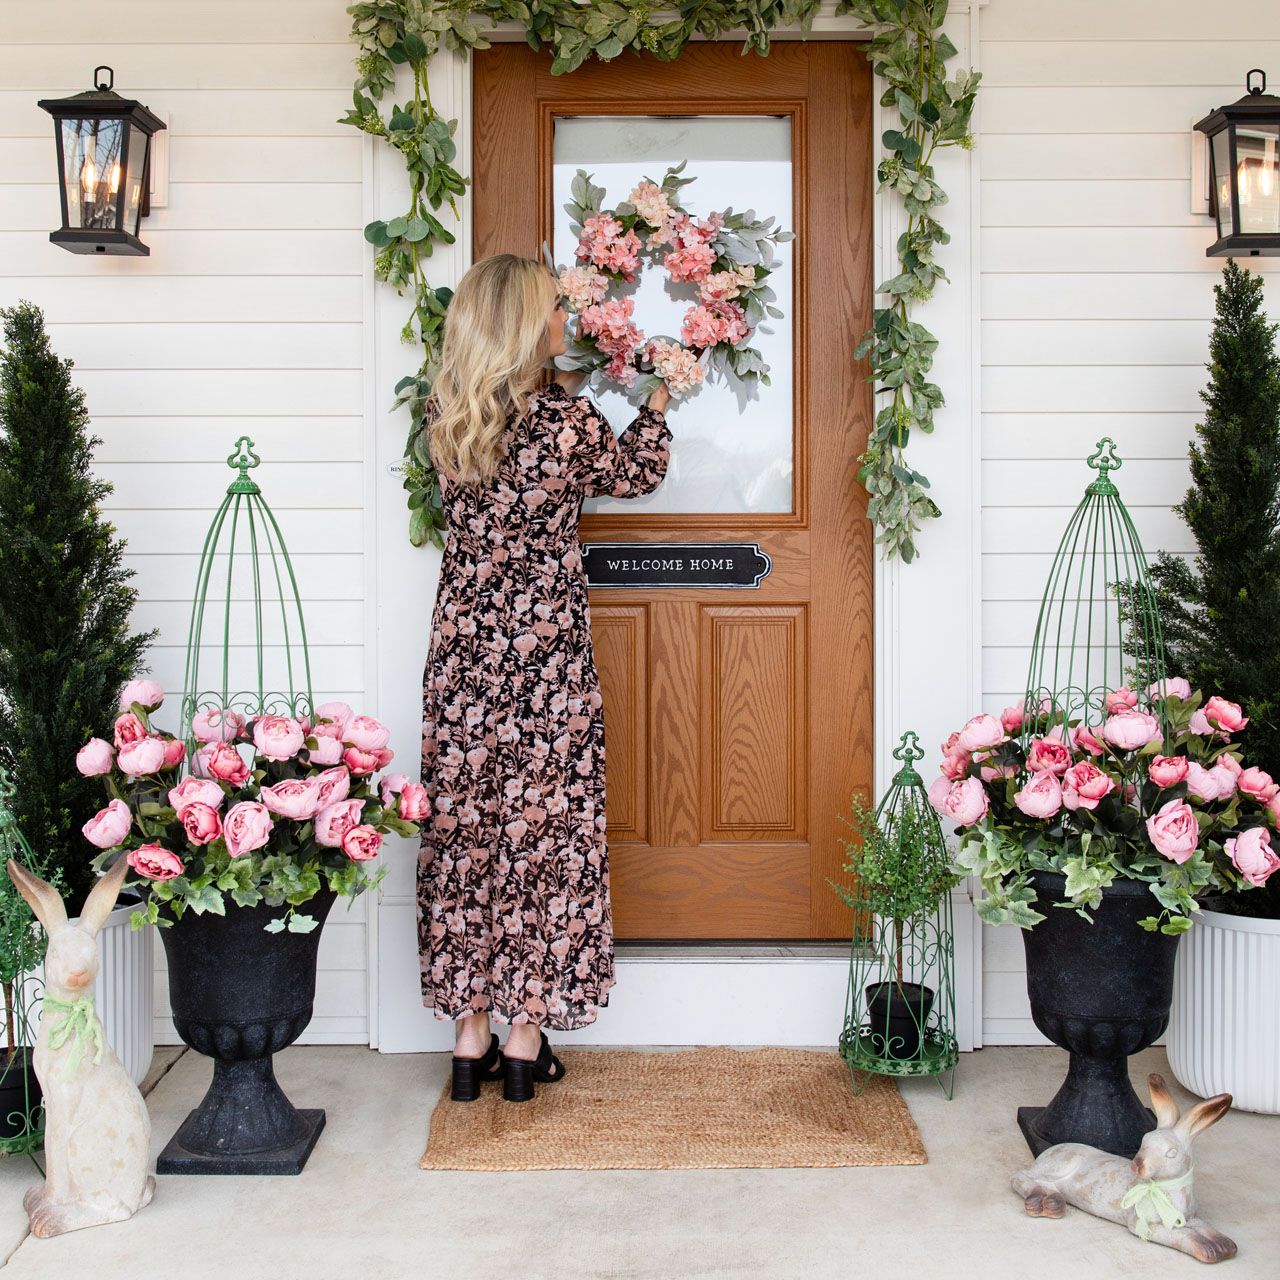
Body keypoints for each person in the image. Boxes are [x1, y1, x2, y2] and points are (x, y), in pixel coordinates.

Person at [416, 253, 673, 1103]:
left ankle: (469, 1037)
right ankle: (526, 1039)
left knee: (468, 836)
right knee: (545, 842)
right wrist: (661, 400)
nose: (564, 324)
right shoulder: (567, 425)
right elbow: (636, 475)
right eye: (553, 312)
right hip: (546, 666)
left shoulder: (445, 416)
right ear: (527, 326)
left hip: (463, 661)